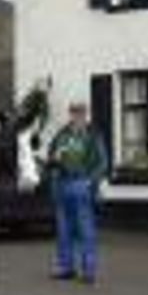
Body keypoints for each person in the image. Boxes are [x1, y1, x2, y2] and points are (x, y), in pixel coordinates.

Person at [47, 101, 107, 284]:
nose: (77, 116)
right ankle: (66, 268)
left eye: (80, 112)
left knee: (85, 229)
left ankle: (89, 271)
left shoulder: (92, 135)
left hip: (81, 184)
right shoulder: (62, 135)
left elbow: (103, 162)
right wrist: (53, 170)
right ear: (70, 114)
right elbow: (51, 157)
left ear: (86, 114)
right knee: (63, 230)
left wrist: (91, 181)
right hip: (62, 185)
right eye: (74, 112)